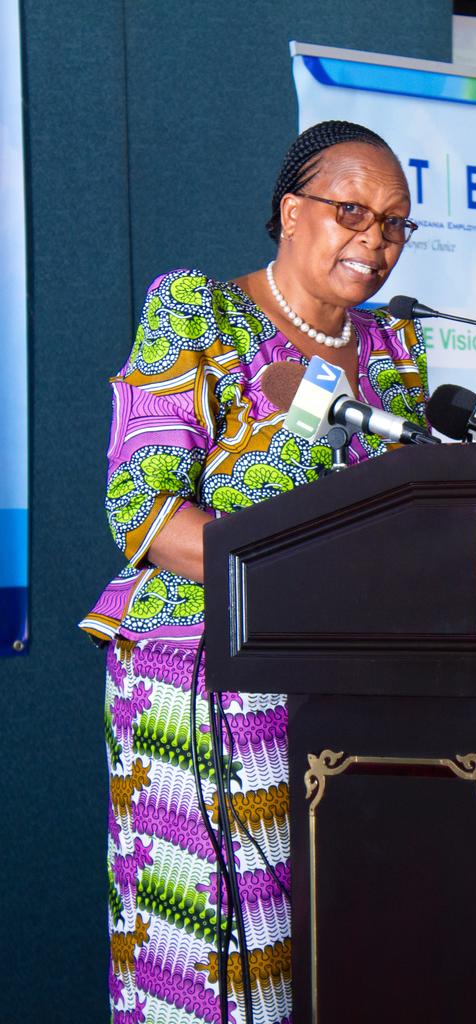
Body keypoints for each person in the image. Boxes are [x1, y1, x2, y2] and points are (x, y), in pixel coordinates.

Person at [80, 120, 428, 1024]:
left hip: (362, 692)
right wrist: (296, 570)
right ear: (289, 212)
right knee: (232, 970)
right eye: (351, 211)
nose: (374, 239)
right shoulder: (200, 312)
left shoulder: (396, 356)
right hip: (202, 681)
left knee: (353, 955)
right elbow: (148, 514)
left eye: (394, 223)